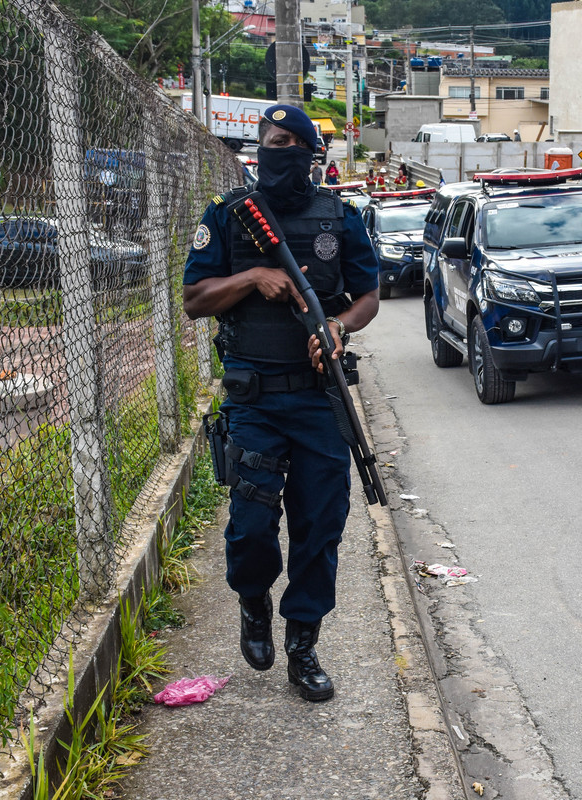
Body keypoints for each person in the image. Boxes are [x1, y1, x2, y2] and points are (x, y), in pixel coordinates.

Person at [182, 104, 380, 703]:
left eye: (292, 141)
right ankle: (252, 601)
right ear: (258, 148)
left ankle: (303, 647)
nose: (280, 148)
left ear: (310, 154)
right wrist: (251, 279)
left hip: (319, 402)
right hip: (255, 402)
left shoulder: (339, 218)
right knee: (250, 527)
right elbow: (194, 298)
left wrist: (339, 328)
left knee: (320, 528)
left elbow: (368, 296)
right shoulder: (227, 217)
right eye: (271, 140)